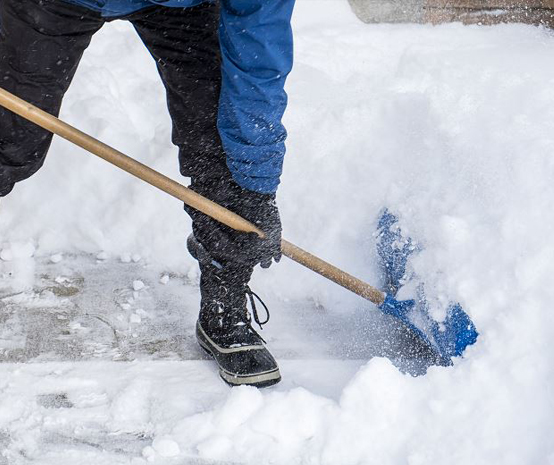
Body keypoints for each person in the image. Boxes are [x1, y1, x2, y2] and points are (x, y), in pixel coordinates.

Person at [0, 0, 295, 388]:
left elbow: (258, 56)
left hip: (181, 4)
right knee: (9, 139)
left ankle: (225, 304)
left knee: (221, 148)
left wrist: (255, 188)